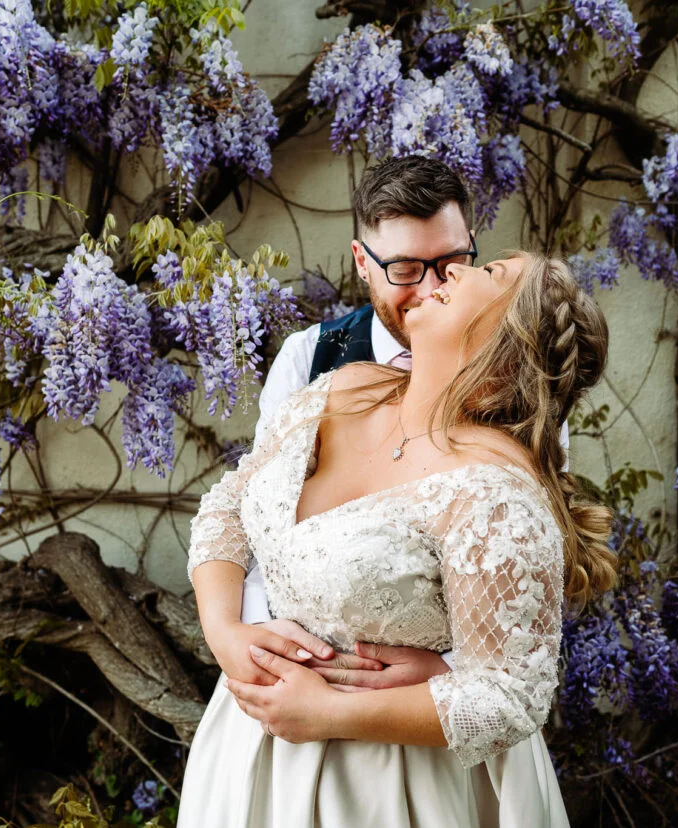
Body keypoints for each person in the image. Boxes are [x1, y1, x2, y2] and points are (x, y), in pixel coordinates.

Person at [177, 248, 617, 827]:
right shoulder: (346, 387)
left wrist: (330, 713)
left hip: (391, 785)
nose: (454, 270)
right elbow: (229, 505)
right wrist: (226, 632)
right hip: (247, 751)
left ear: (511, 353)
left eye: (490, 274)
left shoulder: (495, 492)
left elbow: (512, 697)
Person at [239, 156, 571, 692]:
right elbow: (256, 517)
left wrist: (451, 673)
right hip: (279, 683)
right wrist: (248, 638)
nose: (432, 286)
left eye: (452, 261)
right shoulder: (310, 362)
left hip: (426, 709)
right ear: (362, 262)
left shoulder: (520, 396)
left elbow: (531, 576)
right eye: (405, 269)